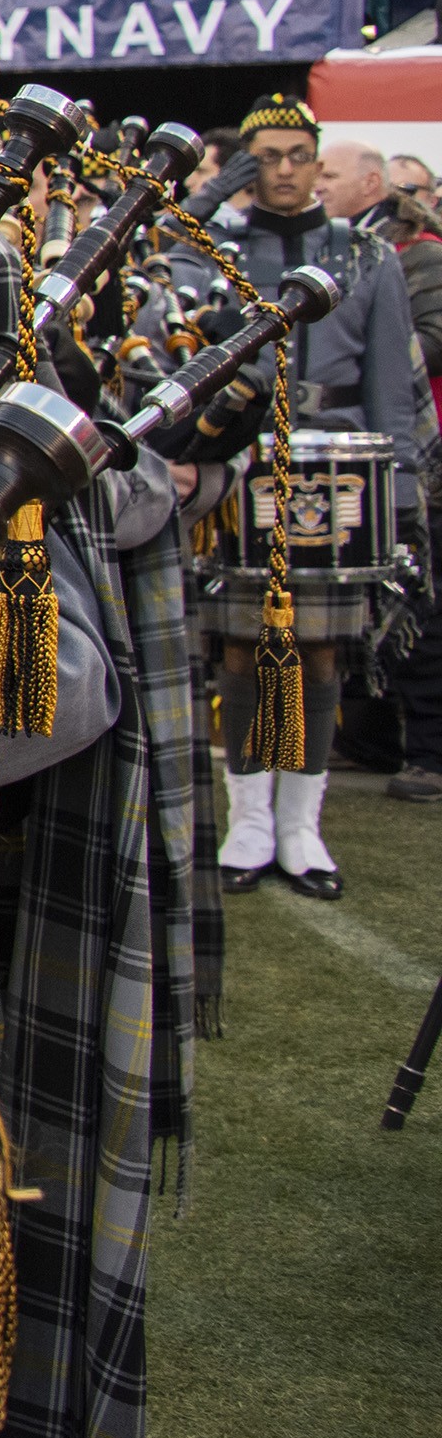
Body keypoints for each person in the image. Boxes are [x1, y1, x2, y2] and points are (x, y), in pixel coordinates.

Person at [191, 92, 433, 897]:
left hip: (339, 465)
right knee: (240, 644)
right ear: (249, 165)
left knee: (320, 648)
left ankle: (301, 825)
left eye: (301, 156)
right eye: (269, 157)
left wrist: (400, 488)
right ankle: (250, 819)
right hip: (240, 457)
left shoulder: (369, 256)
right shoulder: (211, 248)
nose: (287, 171)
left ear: (319, 160)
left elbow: (391, 383)